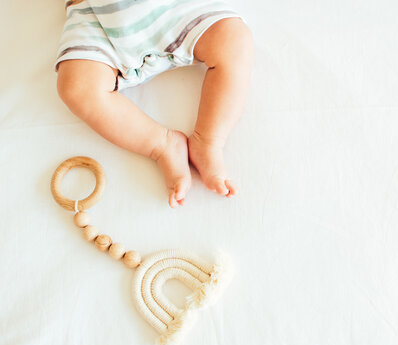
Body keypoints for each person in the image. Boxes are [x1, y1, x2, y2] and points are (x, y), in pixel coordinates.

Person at [56, 0, 253, 208]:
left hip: (172, 8)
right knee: (76, 88)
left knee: (234, 38)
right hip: (96, 17)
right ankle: (162, 145)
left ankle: (208, 140)